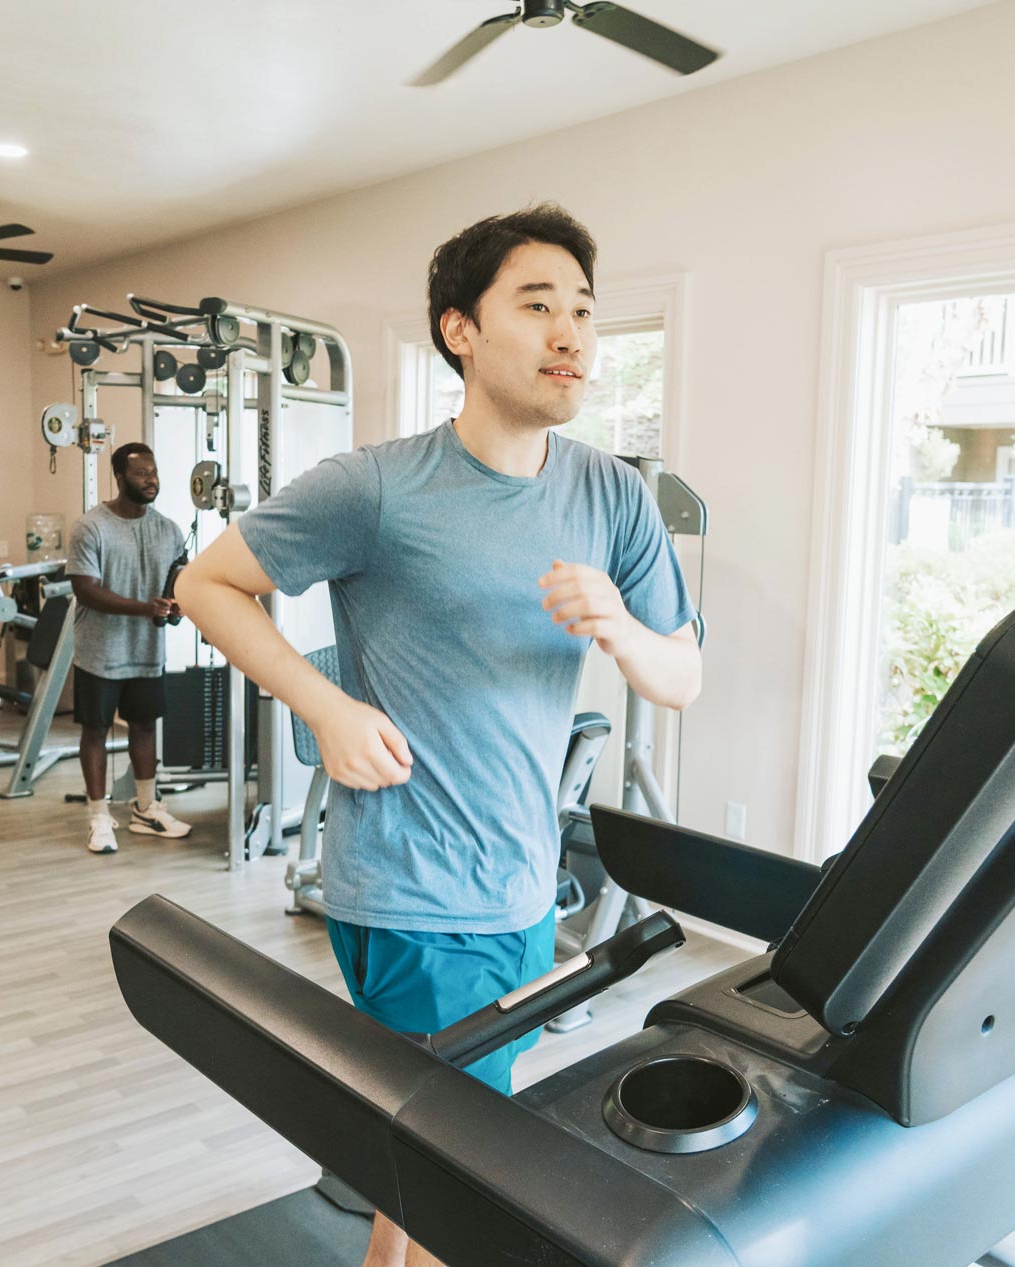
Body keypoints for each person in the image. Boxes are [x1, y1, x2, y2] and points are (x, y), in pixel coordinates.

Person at [175, 203, 701, 1267]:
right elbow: (207, 582)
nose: (571, 336)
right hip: (411, 889)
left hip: (520, 883)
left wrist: (622, 628)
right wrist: (324, 707)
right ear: (460, 330)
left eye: (585, 313)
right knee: (447, 1178)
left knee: (426, 1176)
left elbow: (681, 673)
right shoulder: (376, 489)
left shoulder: (614, 495)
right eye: (537, 306)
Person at [67, 442, 193, 854]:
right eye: (141, 474)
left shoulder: (170, 530)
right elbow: (86, 592)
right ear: (120, 478)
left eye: (154, 472)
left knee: (144, 727)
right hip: (99, 652)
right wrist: (144, 608)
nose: (151, 480)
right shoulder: (91, 527)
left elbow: (177, 584)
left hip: (147, 651)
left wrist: (175, 608)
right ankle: (99, 816)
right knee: (96, 731)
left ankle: (144, 809)